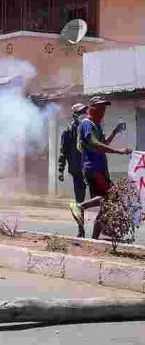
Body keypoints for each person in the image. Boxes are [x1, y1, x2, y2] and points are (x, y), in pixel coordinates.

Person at [69, 96, 131, 239]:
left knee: (106, 202)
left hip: (100, 168)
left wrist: (115, 131)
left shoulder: (96, 125)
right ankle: (80, 206)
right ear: (92, 109)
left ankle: (96, 237)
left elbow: (104, 143)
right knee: (109, 197)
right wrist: (117, 151)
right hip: (93, 168)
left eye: (104, 108)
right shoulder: (87, 124)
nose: (103, 111)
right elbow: (95, 143)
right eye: (100, 108)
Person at [59, 103, 88, 212]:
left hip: (89, 167)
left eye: (85, 112)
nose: (84, 114)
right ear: (75, 114)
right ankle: (80, 223)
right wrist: (60, 170)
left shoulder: (88, 127)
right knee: (80, 198)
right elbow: (63, 151)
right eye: (81, 112)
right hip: (77, 169)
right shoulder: (68, 131)